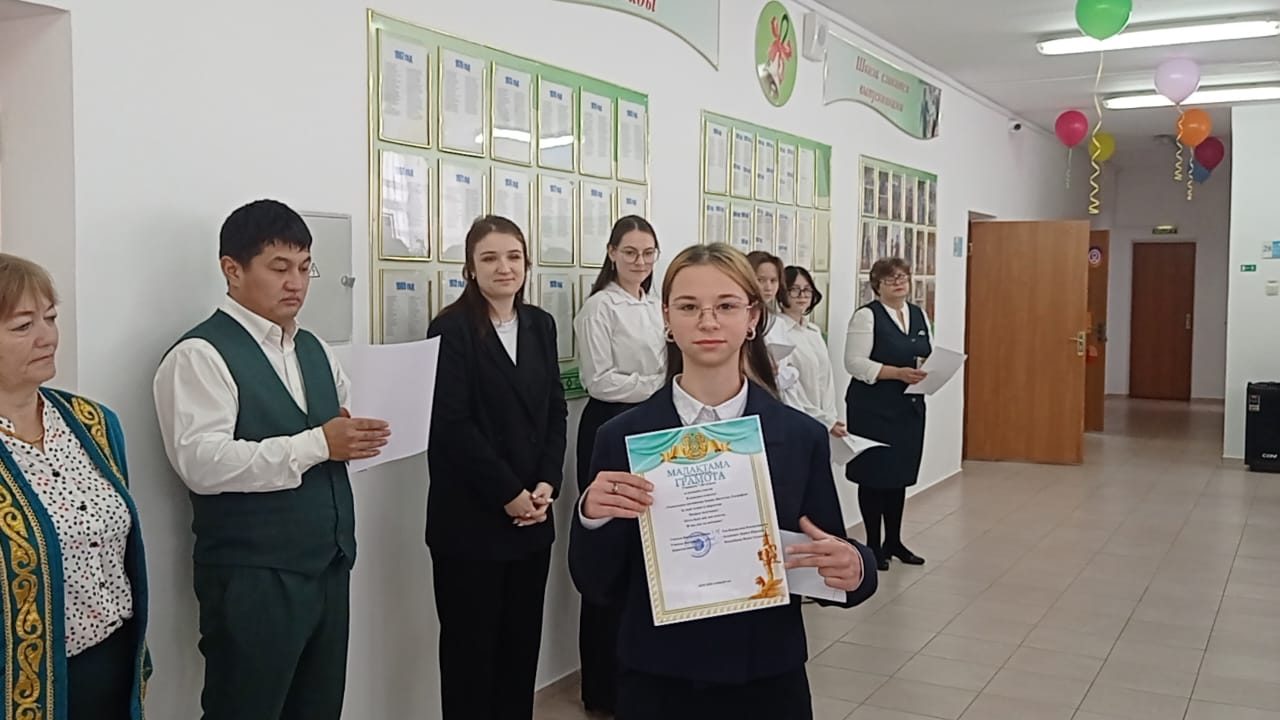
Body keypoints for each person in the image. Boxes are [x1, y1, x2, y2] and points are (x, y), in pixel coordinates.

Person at [569, 243, 877, 720]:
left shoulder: (799, 437)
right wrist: (592, 515)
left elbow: (826, 550)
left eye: (727, 306)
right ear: (667, 318)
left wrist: (856, 567)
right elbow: (595, 581)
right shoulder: (621, 438)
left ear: (752, 317)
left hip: (765, 677)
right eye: (689, 307)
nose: (707, 321)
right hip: (657, 679)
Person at [153, 199, 390, 720]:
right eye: (279, 268)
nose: (296, 284)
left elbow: (337, 421)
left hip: (328, 565)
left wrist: (356, 434)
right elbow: (202, 462)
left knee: (318, 707)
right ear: (232, 270)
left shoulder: (315, 348)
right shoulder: (200, 355)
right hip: (253, 576)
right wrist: (319, 444)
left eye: (305, 268)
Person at [427, 215, 568, 720]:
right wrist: (510, 494)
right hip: (471, 520)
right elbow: (452, 425)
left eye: (513, 256)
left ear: (526, 264)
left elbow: (555, 410)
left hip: (533, 516)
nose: (503, 267)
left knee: (519, 650)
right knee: (470, 656)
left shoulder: (540, 325)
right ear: (470, 268)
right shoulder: (451, 329)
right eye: (489, 258)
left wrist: (547, 482)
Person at [0, 253, 150, 720]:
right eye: (23, 326)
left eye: (50, 318)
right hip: (20, 685)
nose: (47, 337)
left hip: (114, 664)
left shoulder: (93, 423)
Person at [572, 215, 664, 714]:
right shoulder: (599, 308)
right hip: (611, 426)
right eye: (630, 252)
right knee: (609, 552)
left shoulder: (653, 304)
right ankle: (601, 687)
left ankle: (638, 673)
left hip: (652, 426)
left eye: (648, 253)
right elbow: (599, 380)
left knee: (646, 550)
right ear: (611, 253)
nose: (640, 262)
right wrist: (659, 388)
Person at [844, 257, 931, 572]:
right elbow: (854, 363)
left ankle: (894, 540)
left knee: (899, 477)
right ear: (876, 285)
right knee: (874, 476)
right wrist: (896, 373)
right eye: (890, 279)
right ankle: (873, 544)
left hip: (908, 407)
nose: (898, 283)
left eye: (903, 277)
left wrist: (930, 372)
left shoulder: (918, 314)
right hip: (873, 409)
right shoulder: (867, 316)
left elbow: (925, 354)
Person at [780, 265, 846, 437]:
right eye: (794, 290)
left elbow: (827, 380)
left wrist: (830, 417)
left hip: (824, 423)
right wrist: (824, 420)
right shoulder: (777, 332)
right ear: (782, 293)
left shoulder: (813, 331)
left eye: (807, 290)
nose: (802, 295)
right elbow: (788, 390)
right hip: (795, 420)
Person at [746, 251, 800, 399]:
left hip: (776, 396)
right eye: (761, 280)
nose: (768, 287)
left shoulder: (778, 322)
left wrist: (781, 372)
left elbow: (787, 367)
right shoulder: (737, 319)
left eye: (773, 280)